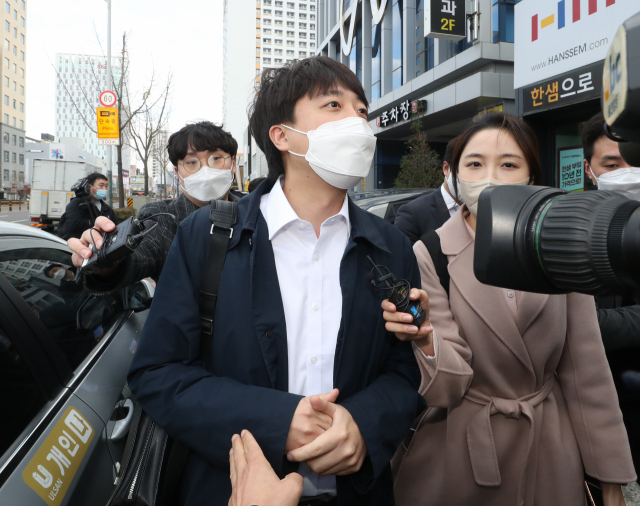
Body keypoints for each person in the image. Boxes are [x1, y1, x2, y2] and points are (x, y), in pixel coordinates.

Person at [127, 57, 424, 506]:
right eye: (333, 105)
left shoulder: (391, 245)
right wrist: (277, 422)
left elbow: (404, 371)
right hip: (232, 490)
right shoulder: (208, 238)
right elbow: (157, 373)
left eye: (361, 111)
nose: (357, 124)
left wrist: (364, 424)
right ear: (282, 136)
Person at [384, 112, 635, 506]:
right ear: (455, 176)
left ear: (531, 177)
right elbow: (448, 385)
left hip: (550, 449)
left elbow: (587, 373)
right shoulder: (431, 252)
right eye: (475, 164)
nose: (490, 177)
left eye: (508, 165)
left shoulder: (565, 243)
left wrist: (611, 478)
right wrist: (426, 336)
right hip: (461, 449)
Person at [66, 121, 242, 295]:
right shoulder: (162, 219)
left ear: (233, 163)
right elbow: (138, 258)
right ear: (178, 173)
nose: (205, 171)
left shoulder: (257, 210)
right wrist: (107, 262)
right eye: (191, 162)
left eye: (216, 159)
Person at [582, 111, 640, 468]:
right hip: (598, 412)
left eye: (634, 160)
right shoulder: (568, 230)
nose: (627, 171)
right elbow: (572, 328)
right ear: (589, 169)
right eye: (612, 164)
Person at [394, 138, 463, 244]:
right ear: (446, 168)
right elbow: (403, 258)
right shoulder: (413, 214)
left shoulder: (489, 210)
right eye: (472, 165)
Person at [57, 172, 118, 241]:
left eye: (106, 186)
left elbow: (116, 225)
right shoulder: (77, 204)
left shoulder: (107, 208)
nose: (104, 189)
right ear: (90, 187)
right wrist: (97, 224)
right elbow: (73, 225)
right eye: (101, 185)